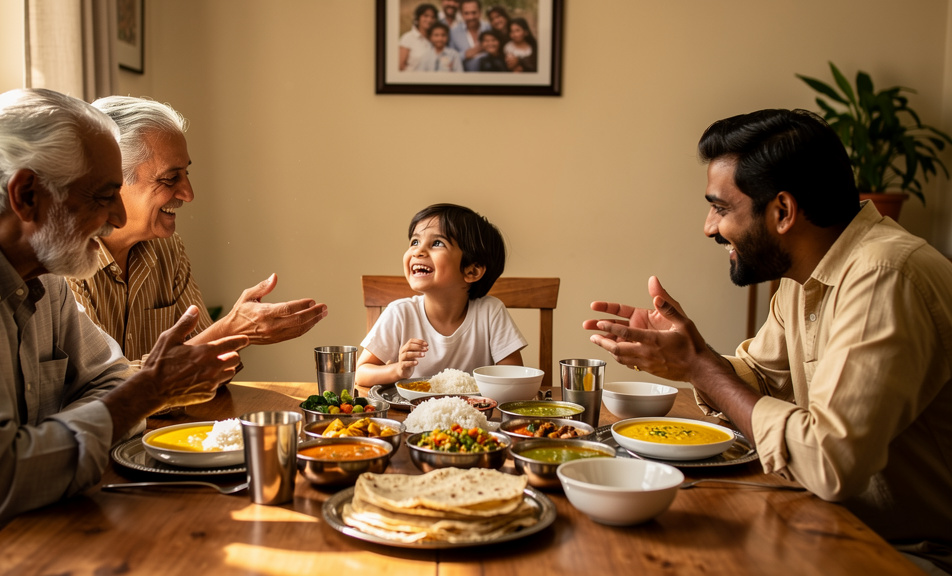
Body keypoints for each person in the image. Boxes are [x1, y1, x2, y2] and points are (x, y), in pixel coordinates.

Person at [583, 109, 952, 574]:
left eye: (720, 208)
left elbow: (827, 462)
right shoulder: (805, 276)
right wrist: (685, 356)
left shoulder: (884, 275)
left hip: (908, 554)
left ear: (782, 211)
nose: (709, 228)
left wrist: (701, 368)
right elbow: (757, 376)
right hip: (829, 525)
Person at [0, 88, 247, 571]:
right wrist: (145, 393)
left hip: (32, 530)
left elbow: (114, 378)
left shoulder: (42, 268)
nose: (116, 217)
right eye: (102, 197)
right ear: (26, 195)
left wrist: (34, 464)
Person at [69, 96, 327, 386]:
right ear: (113, 180)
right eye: (170, 178)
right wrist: (232, 330)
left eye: (186, 173)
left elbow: (212, 373)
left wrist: (237, 331)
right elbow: (105, 392)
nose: (188, 193)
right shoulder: (66, 266)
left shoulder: (168, 249)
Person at [355, 203, 525, 387]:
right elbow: (362, 373)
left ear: (471, 271)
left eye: (437, 243)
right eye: (415, 241)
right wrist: (398, 369)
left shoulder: (490, 312)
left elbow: (513, 379)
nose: (418, 251)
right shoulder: (400, 313)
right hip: (410, 414)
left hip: (474, 414)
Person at [448, 0, 490, 72]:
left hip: (490, 76)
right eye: (466, 13)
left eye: (474, 12)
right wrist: (465, 54)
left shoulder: (489, 28)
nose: (471, 17)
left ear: (480, 12)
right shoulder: (454, 32)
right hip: (465, 78)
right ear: (461, 14)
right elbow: (449, 58)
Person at [398, 3, 437, 72]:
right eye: (426, 16)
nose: (429, 20)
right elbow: (400, 65)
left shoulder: (436, 39)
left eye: (432, 17)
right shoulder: (408, 38)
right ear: (418, 18)